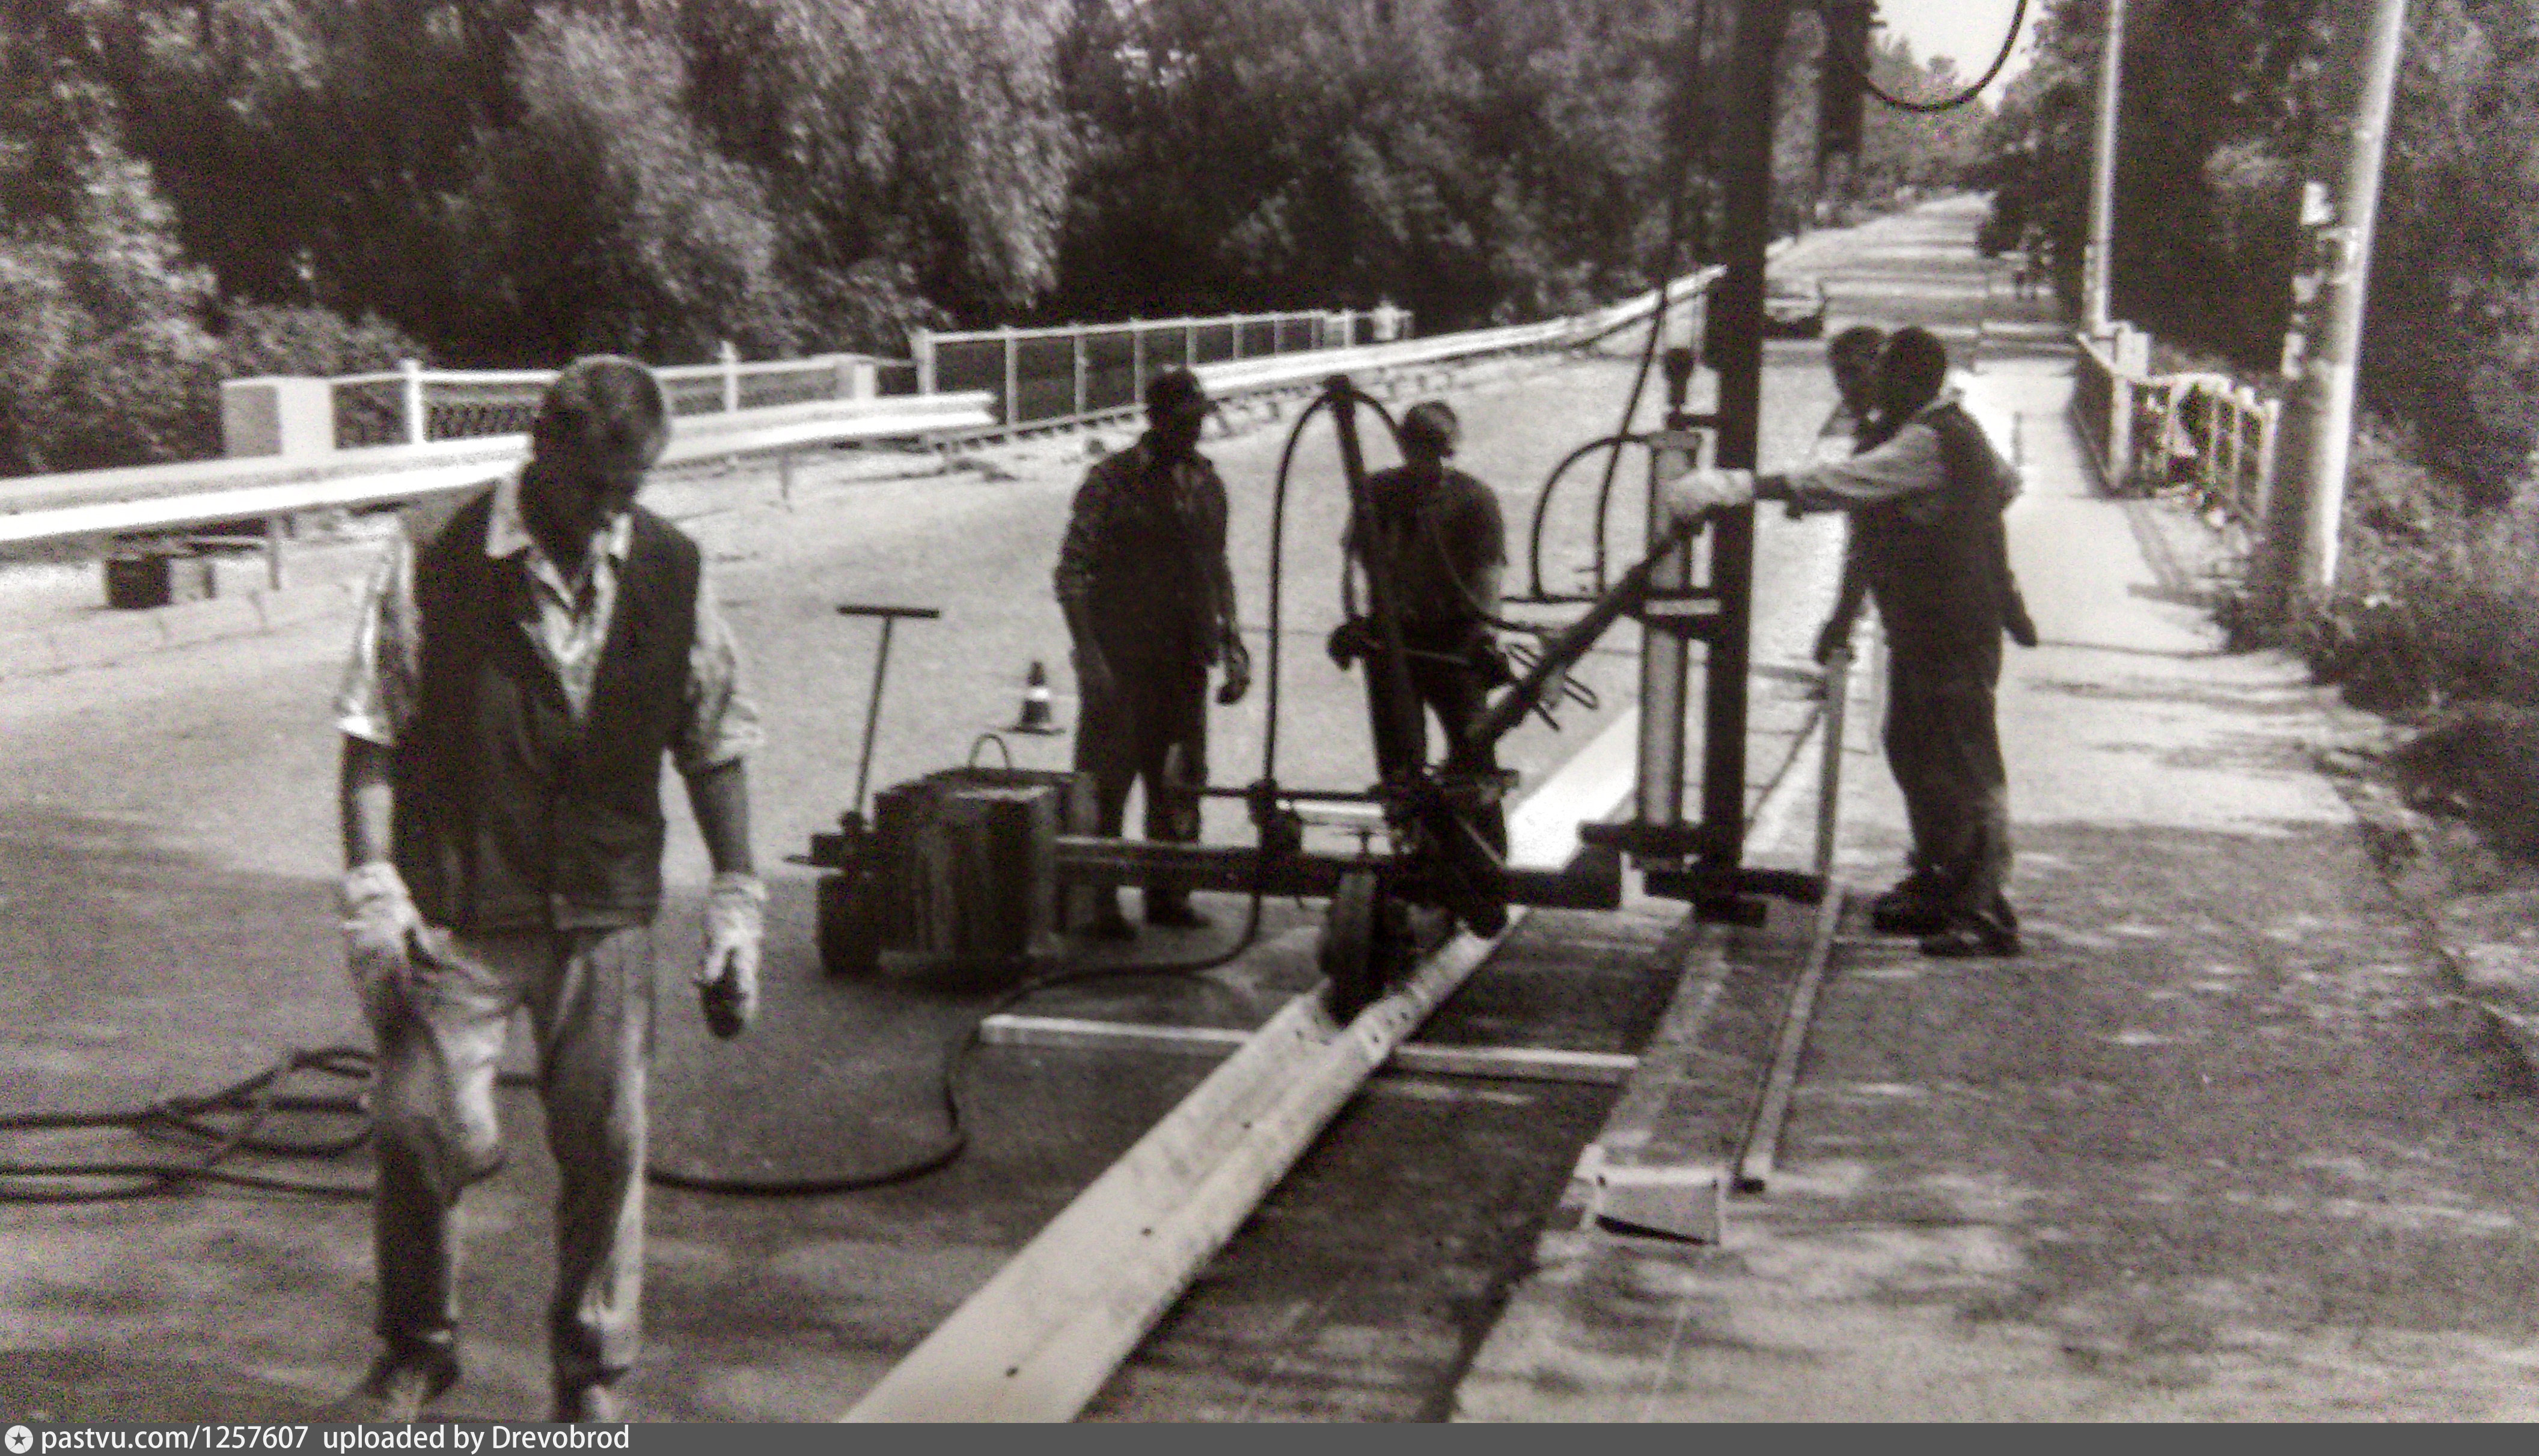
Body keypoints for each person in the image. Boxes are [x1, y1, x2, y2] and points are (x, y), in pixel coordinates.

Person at [331, 356, 765, 1422]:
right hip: (458, 903)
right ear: (540, 450)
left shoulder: (672, 565)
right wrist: (375, 888)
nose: (610, 512)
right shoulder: (433, 550)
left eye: (632, 488)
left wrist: (737, 895)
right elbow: (372, 734)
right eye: (591, 487)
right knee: (416, 1126)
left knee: (608, 1144)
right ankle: (418, 1346)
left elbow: (714, 739)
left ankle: (591, 1372)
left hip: (603, 902)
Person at [1666, 326, 2023, 958]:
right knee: (1913, 746)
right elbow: (2002, 483)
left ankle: (1985, 909)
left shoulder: (1927, 439)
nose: (1872, 383)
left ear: (1910, 378)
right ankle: (1941, 879)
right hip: (1928, 620)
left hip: (1952, 624)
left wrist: (1738, 486)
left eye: (1883, 371)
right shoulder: (1947, 430)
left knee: (1963, 760)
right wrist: (1940, 517)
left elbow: (1843, 482)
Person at [1054, 367, 1250, 937]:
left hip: (1185, 658)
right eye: (1185, 422)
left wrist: (1233, 641)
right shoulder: (1111, 481)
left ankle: (1169, 892)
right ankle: (1100, 903)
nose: (1195, 432)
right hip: (1122, 659)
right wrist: (1089, 655)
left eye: (1200, 421)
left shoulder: (1207, 482)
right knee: (1107, 782)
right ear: (1157, 420)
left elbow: (1218, 567)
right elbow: (1071, 574)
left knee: (1180, 781)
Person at [1331, 400, 1511, 854]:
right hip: (1393, 641)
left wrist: (1487, 637)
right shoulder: (1377, 492)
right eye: (1420, 451)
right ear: (1405, 447)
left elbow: (1488, 574)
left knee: (1473, 755)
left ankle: (1489, 856)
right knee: (1399, 763)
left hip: (1455, 643)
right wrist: (1355, 621)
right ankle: (1410, 850)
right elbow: (1354, 562)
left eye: (1440, 453)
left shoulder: (1474, 500)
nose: (1430, 464)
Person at [1812, 327, 2038, 670]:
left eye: (1856, 372)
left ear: (1888, 372)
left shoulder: (1908, 436)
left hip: (1941, 622)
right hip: (1938, 618)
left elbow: (1866, 545)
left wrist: (1933, 530)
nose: (1846, 387)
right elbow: (2000, 492)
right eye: (1839, 375)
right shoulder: (1936, 423)